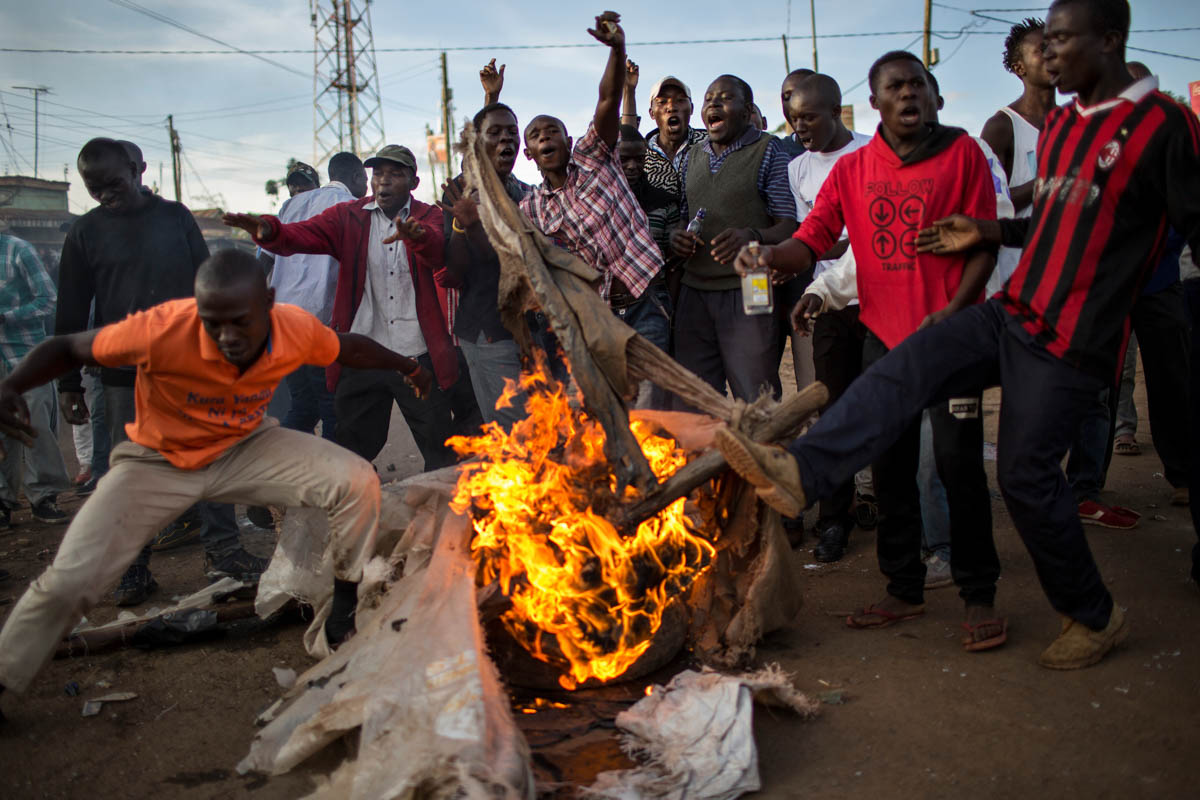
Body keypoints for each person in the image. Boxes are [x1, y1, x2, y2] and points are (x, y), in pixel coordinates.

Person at [720, 0, 1200, 669]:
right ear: (877, 102)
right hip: (1012, 310)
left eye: (1062, 39)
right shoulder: (1064, 124)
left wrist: (976, 256)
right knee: (901, 373)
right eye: (1047, 40)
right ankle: (801, 472)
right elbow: (1058, 222)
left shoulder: (1161, 125)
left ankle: (1080, 613)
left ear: (1111, 40)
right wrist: (995, 231)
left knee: (1012, 474)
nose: (1049, 52)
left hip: (1072, 336)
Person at [0, 248, 433, 707]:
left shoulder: (292, 327)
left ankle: (343, 614)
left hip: (246, 446)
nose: (226, 336)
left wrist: (409, 366)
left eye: (240, 322)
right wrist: (10, 385)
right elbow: (65, 346)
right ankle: (6, 675)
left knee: (356, 479)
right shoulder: (164, 327)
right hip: (157, 461)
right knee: (69, 581)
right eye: (213, 322)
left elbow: (348, 346)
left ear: (268, 301)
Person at [746, 51, 1002, 649]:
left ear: (933, 96)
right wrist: (767, 256)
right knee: (889, 468)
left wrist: (956, 310)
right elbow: (811, 242)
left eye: (918, 84)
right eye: (896, 86)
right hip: (884, 341)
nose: (909, 94)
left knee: (959, 467)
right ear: (877, 99)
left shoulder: (962, 152)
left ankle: (979, 593)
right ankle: (903, 589)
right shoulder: (853, 171)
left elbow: (984, 244)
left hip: (950, 343)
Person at [55, 137, 265, 606]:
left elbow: (206, 285)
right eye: (94, 189)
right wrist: (68, 383)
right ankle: (133, 569)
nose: (106, 195)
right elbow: (70, 310)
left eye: (113, 183)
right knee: (132, 472)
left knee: (210, 456)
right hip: (122, 376)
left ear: (136, 169)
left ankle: (223, 553)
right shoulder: (84, 233)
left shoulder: (175, 217)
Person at [224, 144, 460, 471]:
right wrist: (270, 230)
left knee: (441, 451)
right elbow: (300, 236)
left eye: (396, 174)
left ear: (413, 182)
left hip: (415, 355)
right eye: (378, 174)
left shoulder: (428, 216)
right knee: (350, 452)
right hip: (362, 355)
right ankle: (350, 511)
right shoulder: (348, 217)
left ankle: (447, 518)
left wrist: (417, 237)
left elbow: (437, 250)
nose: (384, 181)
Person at [519, 12, 671, 377]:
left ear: (569, 141)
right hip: (596, 319)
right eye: (536, 135)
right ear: (529, 154)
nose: (545, 136)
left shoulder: (593, 156)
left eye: (552, 130)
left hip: (645, 303)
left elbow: (607, 100)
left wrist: (617, 50)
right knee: (610, 417)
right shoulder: (532, 207)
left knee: (648, 411)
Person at [783, 73, 872, 561]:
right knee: (833, 411)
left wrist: (800, 249)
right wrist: (787, 257)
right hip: (830, 302)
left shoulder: (870, 152)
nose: (801, 128)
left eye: (810, 117)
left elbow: (831, 236)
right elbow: (810, 234)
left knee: (890, 406)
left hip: (877, 298)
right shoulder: (798, 168)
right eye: (794, 120)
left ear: (837, 110)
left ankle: (902, 511)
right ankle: (834, 518)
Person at [668, 74, 798, 404]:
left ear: (747, 109)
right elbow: (685, 214)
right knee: (697, 397)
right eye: (709, 97)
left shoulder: (769, 150)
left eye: (725, 97)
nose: (714, 103)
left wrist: (752, 236)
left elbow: (789, 226)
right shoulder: (692, 156)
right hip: (695, 292)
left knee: (756, 396)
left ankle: (763, 456)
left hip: (749, 290)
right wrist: (678, 236)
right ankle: (710, 457)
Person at [437, 100, 532, 430]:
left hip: (532, 331)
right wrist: (466, 225)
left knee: (545, 423)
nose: (507, 140)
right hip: (490, 333)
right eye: (496, 134)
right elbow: (456, 270)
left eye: (513, 133)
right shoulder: (460, 195)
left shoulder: (525, 193)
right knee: (515, 429)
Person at [261, 151, 367, 442]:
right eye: (366, 181)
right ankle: (334, 472)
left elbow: (262, 262)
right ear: (357, 178)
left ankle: (285, 465)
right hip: (319, 322)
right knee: (333, 406)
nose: (368, 188)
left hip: (283, 322)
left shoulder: (289, 206)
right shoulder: (350, 206)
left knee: (304, 405)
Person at [0, 231, 71, 528]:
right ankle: (2, 501)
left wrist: (7, 317)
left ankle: (43, 497)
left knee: (36, 425)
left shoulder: (18, 250)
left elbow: (48, 300)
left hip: (26, 357)